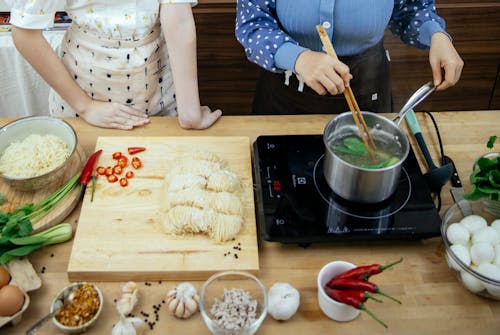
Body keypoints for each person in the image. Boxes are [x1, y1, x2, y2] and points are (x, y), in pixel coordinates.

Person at [7, 0, 222, 130]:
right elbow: (25, 32)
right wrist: (86, 107)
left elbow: (178, 16)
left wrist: (189, 110)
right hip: (84, 89)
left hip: (158, 84)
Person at [235, 0, 464, 115]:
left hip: (368, 93)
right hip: (283, 99)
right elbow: (253, 25)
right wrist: (298, 58)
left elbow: (411, 9)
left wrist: (435, 34)